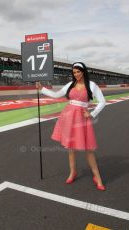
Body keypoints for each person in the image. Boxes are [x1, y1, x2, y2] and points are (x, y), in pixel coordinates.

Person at [36, 62, 106, 191]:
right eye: (74, 72)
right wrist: (42, 89)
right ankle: (72, 172)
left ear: (83, 71)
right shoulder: (70, 84)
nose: (76, 74)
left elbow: (102, 101)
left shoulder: (92, 85)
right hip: (68, 117)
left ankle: (98, 177)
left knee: (88, 149)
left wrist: (92, 113)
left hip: (83, 118)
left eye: (78, 71)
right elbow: (57, 95)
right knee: (70, 147)